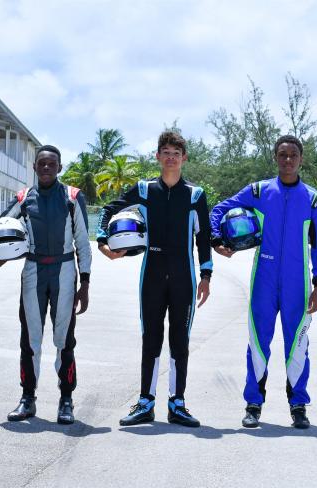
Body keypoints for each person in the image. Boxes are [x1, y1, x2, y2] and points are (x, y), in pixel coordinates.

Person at [210, 135, 317, 429]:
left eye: (293, 155)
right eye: (283, 155)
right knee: (257, 343)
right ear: (275, 158)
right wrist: (216, 239)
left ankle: (298, 404)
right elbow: (218, 210)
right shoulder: (259, 191)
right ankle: (253, 404)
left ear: (301, 159)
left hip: (297, 283)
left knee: (297, 345)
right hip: (263, 278)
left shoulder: (313, 199)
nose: (288, 160)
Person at [97, 131, 212, 428]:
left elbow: (204, 237)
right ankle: (145, 402)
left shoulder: (196, 195)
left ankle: (178, 403)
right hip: (152, 273)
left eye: (176, 152)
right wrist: (103, 242)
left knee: (179, 341)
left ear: (184, 158)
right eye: (166, 151)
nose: (171, 157)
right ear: (157, 156)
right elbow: (109, 210)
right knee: (151, 338)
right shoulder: (145, 190)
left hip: (184, 277)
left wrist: (206, 274)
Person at [0, 145, 91, 425]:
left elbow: (82, 241)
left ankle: (66, 399)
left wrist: (86, 282)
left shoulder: (72, 197)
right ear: (34, 167)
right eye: (41, 163)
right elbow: (1, 225)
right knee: (30, 339)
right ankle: (27, 398)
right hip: (33, 270)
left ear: (59, 168)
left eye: (51, 164)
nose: (46, 168)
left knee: (64, 339)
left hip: (65, 271)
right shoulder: (24, 197)